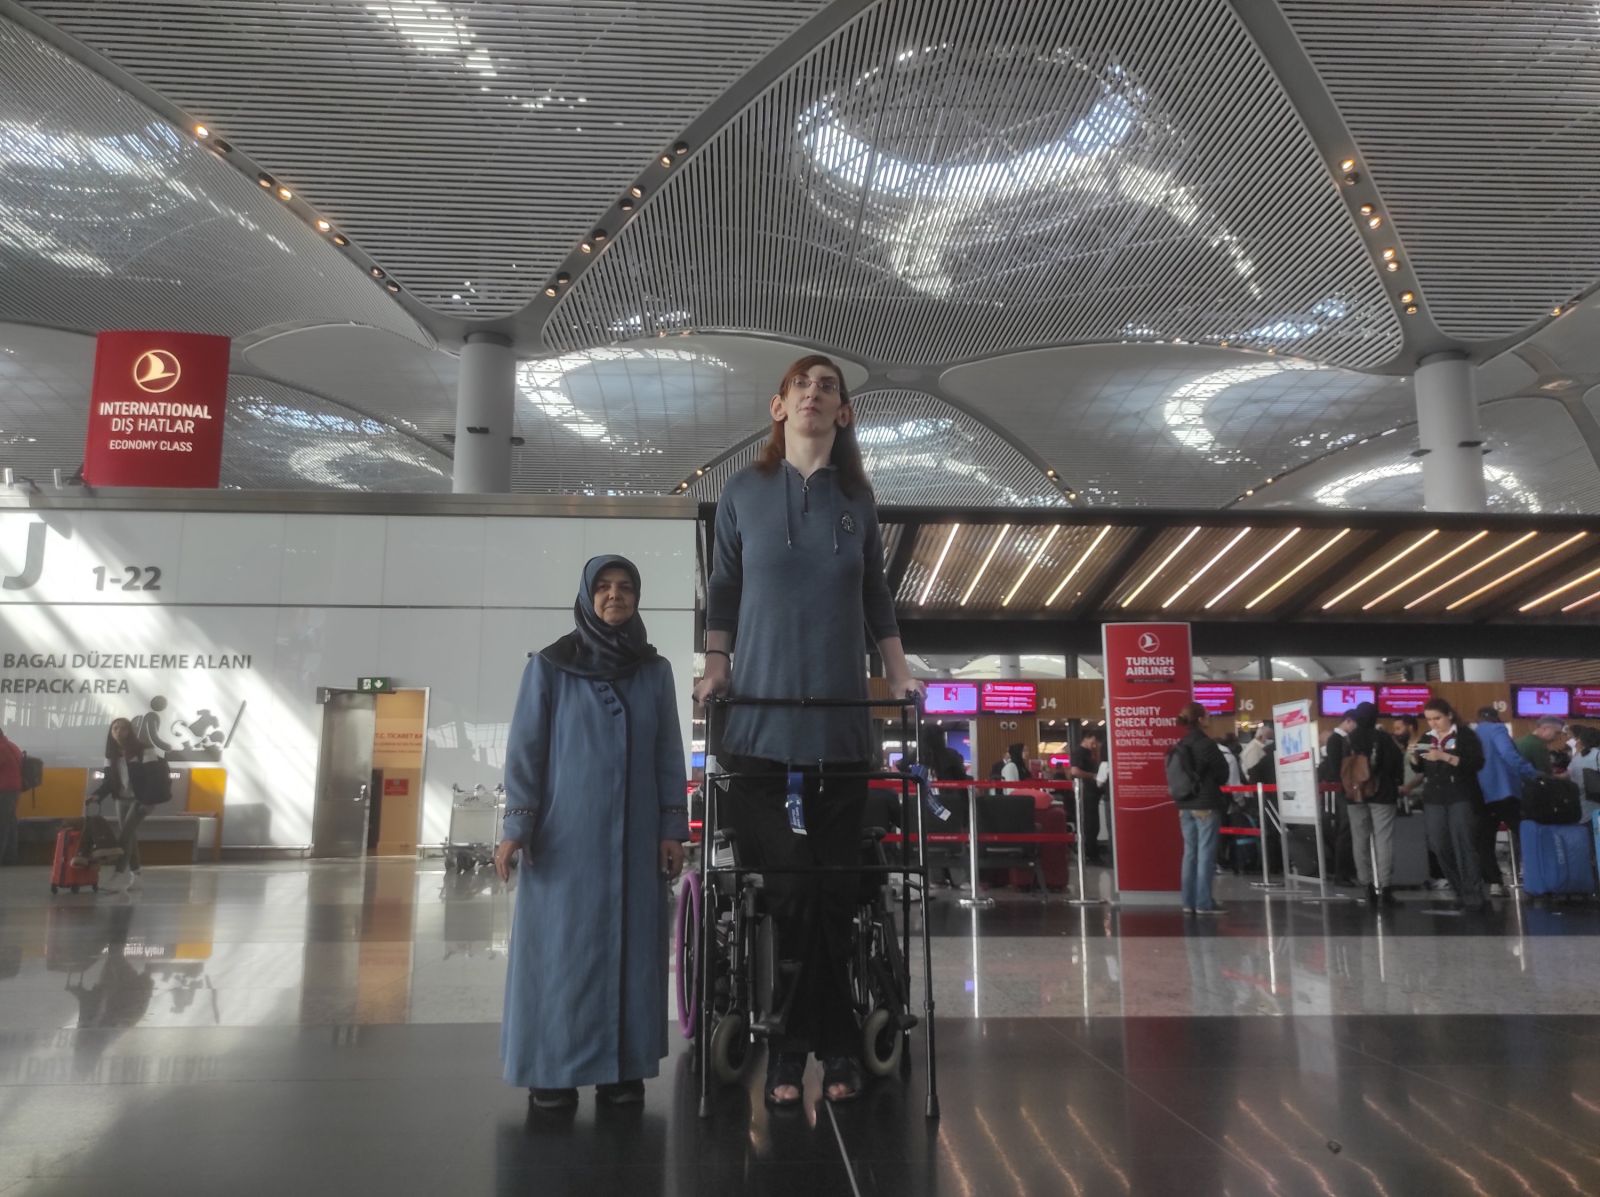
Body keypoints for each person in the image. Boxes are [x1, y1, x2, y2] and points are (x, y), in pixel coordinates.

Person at [695, 353, 923, 1108]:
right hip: (757, 732)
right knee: (791, 886)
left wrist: (897, 673)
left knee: (832, 892)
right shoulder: (743, 493)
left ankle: (820, 1045)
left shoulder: (858, 499)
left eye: (829, 388)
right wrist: (716, 665)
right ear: (778, 406)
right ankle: (802, 1044)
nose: (816, 395)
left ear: (844, 413)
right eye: (803, 385)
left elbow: (876, 598)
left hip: (839, 734)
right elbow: (723, 587)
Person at [494, 555, 688, 1111]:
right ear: (586, 596)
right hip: (564, 841)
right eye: (603, 587)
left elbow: (666, 752)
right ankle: (550, 1070)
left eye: (625, 588)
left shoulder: (654, 671)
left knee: (631, 950)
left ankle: (622, 1070)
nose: (614, 596)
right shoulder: (550, 666)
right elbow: (525, 752)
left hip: (634, 841)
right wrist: (517, 828)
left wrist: (672, 827)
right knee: (559, 952)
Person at [1415, 697, 1489, 912]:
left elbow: (1476, 763)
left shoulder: (1465, 735)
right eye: (1429, 719)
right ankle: (1459, 889)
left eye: (1437, 718)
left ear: (1449, 715)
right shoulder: (1426, 737)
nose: (1433, 723)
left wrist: (1445, 757)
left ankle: (1473, 892)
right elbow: (1420, 767)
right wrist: (1414, 759)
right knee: (1439, 844)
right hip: (1434, 797)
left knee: (1463, 843)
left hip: (1461, 794)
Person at [1171, 702, 1230, 915]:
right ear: (1201, 720)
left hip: (1184, 804)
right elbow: (1223, 773)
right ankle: (1204, 902)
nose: (1210, 718)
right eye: (1208, 715)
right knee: (1206, 853)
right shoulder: (1206, 744)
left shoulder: (1181, 744)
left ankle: (1188, 902)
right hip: (1205, 804)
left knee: (1190, 853)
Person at [1473, 708, 1536, 897]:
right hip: (1504, 791)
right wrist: (1532, 773)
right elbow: (1509, 755)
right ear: (1495, 718)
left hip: (1480, 794)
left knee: (1484, 840)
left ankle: (1494, 882)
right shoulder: (1497, 730)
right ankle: (1534, 876)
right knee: (1524, 833)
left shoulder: (1472, 735)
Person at [1345, 702, 1403, 906]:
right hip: (1382, 794)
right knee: (1383, 840)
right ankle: (1385, 889)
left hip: (1355, 795)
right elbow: (1396, 765)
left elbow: (1339, 767)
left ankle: (1367, 887)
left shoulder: (1348, 739)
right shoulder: (1384, 738)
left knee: (1359, 841)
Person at [96, 718, 150, 892]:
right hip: (121, 798)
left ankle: (117, 876)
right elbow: (108, 781)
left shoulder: (144, 750)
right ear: (111, 732)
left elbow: (154, 778)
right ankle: (137, 876)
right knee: (130, 837)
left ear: (130, 731)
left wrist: (147, 800)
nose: (119, 731)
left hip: (141, 799)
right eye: (115, 728)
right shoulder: (110, 754)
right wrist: (96, 796)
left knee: (125, 836)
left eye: (123, 728)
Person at [1319, 710, 1358, 886]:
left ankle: (1346, 872)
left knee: (1347, 829)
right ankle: (1342, 873)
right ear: (1348, 721)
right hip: (1343, 790)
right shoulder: (1336, 740)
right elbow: (1337, 769)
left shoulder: (1341, 740)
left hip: (1344, 789)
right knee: (1345, 830)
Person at [1068, 729, 1104, 864]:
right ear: (1086, 738)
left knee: (1093, 824)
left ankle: (1091, 851)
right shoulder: (1079, 752)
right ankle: (1090, 854)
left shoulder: (1090, 753)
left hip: (1092, 793)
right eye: (1093, 742)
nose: (1094, 745)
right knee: (1089, 824)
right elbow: (1075, 771)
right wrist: (1093, 776)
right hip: (1085, 792)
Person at [0, 727, 22, 867]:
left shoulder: (1, 748)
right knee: (10, 824)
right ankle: (11, 858)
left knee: (2, 825)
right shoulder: (12, 746)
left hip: (4, 790)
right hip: (14, 789)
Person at [1568, 726, 1600, 819]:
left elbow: (1569, 774)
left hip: (1581, 807)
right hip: (1596, 806)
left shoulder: (1578, 757)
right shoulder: (1597, 754)